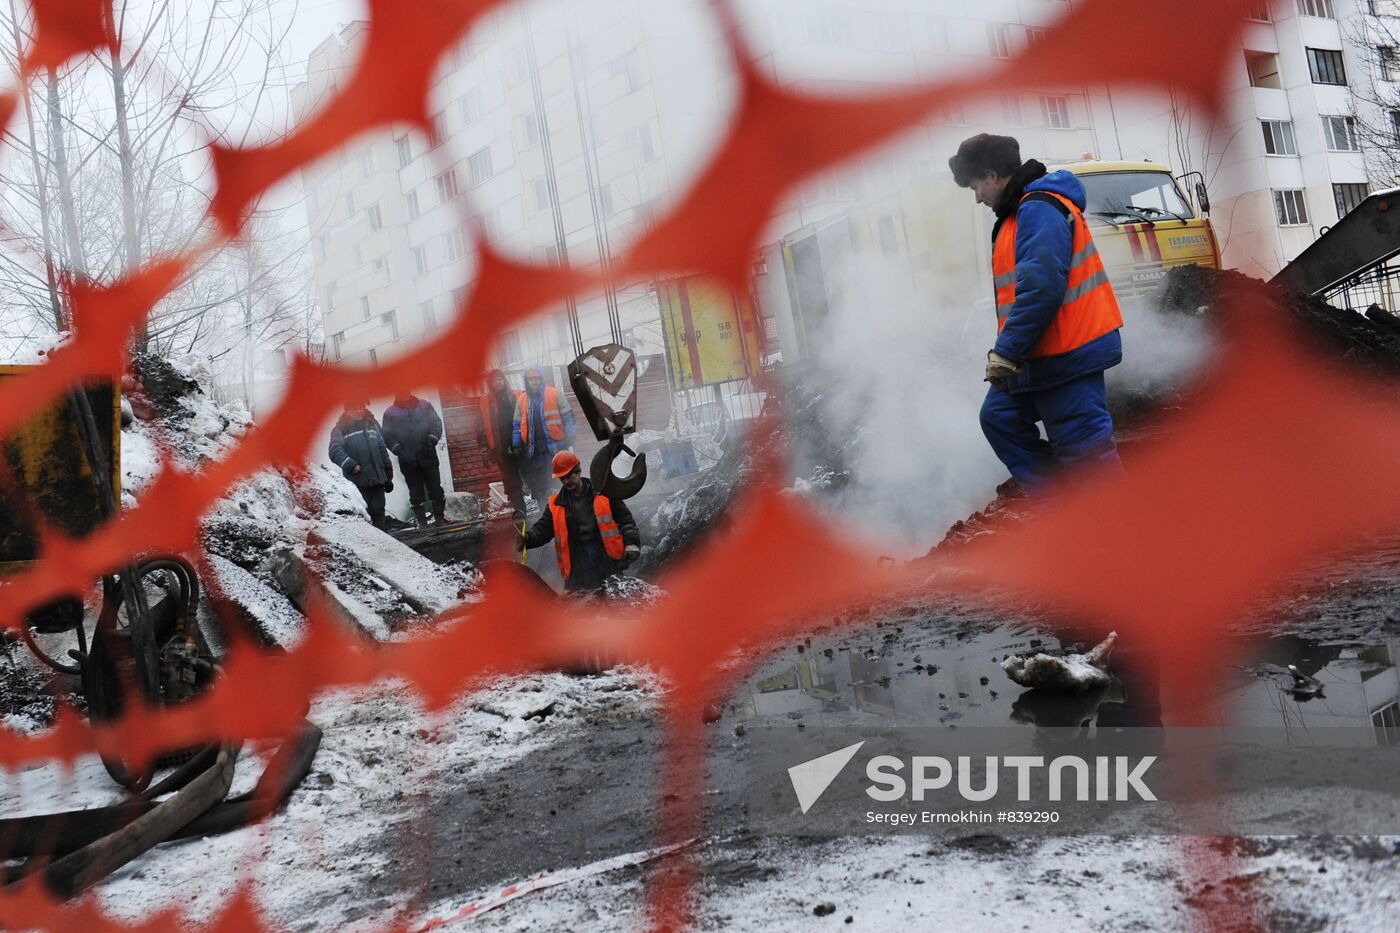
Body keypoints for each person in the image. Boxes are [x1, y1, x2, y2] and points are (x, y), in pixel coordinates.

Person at [949, 133, 1125, 495]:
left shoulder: (1038, 208)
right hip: (1043, 355)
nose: (978, 197)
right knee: (999, 419)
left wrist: (1008, 352)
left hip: (1068, 354)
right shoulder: (1019, 213)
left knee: (1085, 453)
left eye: (976, 186)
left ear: (993, 174)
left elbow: (1041, 287)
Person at [523, 451, 641, 593]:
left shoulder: (604, 493)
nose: (567, 481)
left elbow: (625, 519)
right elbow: (543, 529)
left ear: (578, 471)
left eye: (570, 475)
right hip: (577, 567)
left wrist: (631, 543)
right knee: (586, 608)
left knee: (613, 600)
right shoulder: (556, 505)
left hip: (607, 560)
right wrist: (527, 539)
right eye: (562, 478)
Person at [382, 393, 451, 528]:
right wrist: (397, 449)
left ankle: (439, 520)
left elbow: (436, 422)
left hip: (428, 456)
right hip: (408, 461)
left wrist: (432, 438)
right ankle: (422, 523)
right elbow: (386, 434)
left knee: (436, 490)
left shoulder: (424, 405)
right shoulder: (390, 412)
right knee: (415, 493)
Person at [512, 367, 577, 507]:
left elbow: (567, 415)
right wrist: (516, 444)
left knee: (558, 479)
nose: (534, 382)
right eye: (531, 380)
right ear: (527, 382)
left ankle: (566, 507)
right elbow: (517, 424)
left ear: (541, 380)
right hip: (534, 450)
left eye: (536, 379)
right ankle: (546, 510)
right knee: (539, 483)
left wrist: (571, 433)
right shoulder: (521, 399)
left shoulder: (554, 393)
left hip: (555, 446)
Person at [328, 399, 393, 529]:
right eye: (355, 408)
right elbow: (334, 451)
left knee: (379, 512)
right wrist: (351, 466)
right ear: (347, 410)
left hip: (377, 480)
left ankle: (383, 543)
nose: (359, 411)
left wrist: (388, 472)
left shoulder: (371, 425)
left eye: (361, 407)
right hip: (357, 483)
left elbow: (381, 449)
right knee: (365, 516)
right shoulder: (340, 429)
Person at [477, 369, 527, 517]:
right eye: (494, 380)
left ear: (504, 380)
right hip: (501, 450)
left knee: (531, 478)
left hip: (522, 445)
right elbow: (480, 428)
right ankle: (520, 512)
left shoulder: (517, 395)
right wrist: (484, 450)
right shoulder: (485, 402)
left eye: (499, 379)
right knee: (511, 482)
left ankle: (544, 508)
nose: (497, 382)